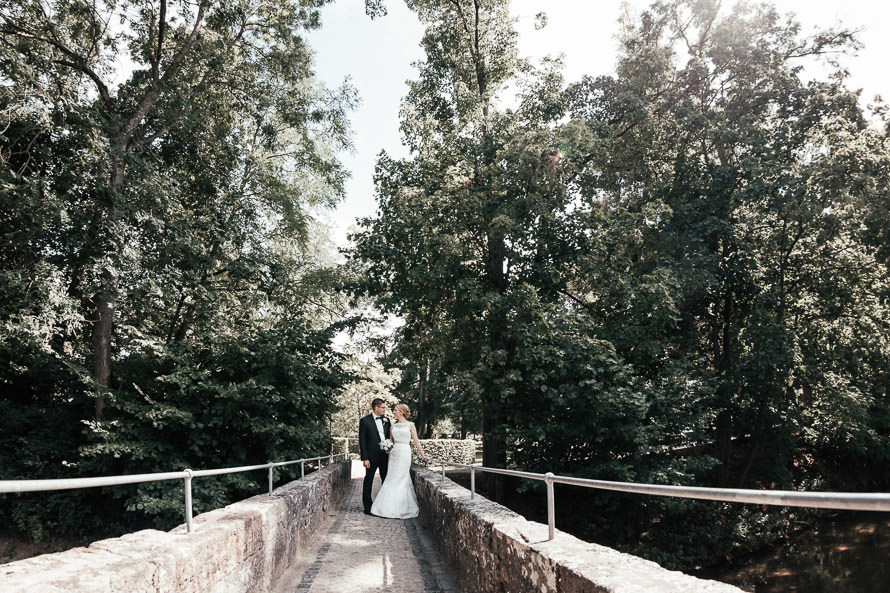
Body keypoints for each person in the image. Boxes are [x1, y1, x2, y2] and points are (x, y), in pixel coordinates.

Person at [370, 403, 427, 519]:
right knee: (392, 477)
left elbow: (415, 441)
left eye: (395, 410)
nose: (393, 412)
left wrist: (423, 455)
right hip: (394, 454)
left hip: (405, 452)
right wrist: (387, 448)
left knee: (402, 477)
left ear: (401, 412)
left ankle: (402, 507)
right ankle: (387, 507)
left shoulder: (411, 425)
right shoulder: (393, 427)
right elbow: (390, 441)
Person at [359, 398, 391, 515]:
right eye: (383, 407)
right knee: (368, 480)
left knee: (386, 480)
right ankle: (367, 507)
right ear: (376, 407)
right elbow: (362, 441)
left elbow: (388, 437)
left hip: (385, 456)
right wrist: (365, 458)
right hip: (371, 457)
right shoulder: (365, 421)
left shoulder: (387, 420)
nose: (384, 409)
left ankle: (384, 505)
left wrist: (389, 448)